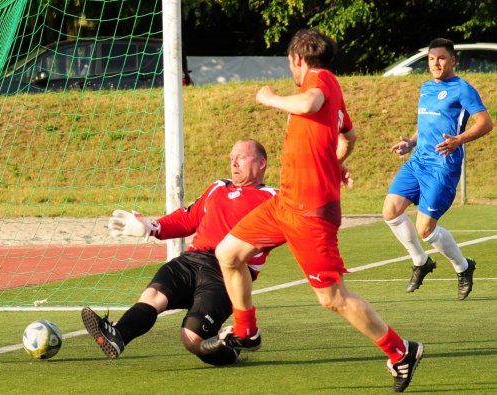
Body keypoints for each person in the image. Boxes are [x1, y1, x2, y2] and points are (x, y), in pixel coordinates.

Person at [200, 29, 422, 393]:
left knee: (332, 297)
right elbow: (347, 136)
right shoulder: (332, 91)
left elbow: (307, 105)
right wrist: (333, 164)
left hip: (310, 211)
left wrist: (269, 97)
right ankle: (246, 331)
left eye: (290, 62)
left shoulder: (319, 80)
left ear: (298, 59)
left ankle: (401, 351)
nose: (291, 69)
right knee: (228, 253)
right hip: (285, 202)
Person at [81, 139, 278, 366]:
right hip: (190, 261)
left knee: (192, 339)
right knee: (153, 297)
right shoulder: (218, 187)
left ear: (261, 163)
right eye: (232, 157)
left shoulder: (274, 198)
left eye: (241, 158)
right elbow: (187, 218)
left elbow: (295, 228)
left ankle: (228, 347)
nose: (234, 163)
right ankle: (118, 336)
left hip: (226, 273)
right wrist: (151, 227)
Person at [383, 38, 493, 300]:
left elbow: (486, 123)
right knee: (390, 211)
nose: (435, 63)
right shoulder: (426, 87)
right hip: (418, 160)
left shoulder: (462, 89)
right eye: (432, 59)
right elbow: (427, 124)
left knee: (425, 229)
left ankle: (463, 267)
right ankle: (421, 261)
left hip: (442, 165)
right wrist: (411, 142)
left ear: (453, 60)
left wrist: (458, 140)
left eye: (441, 58)